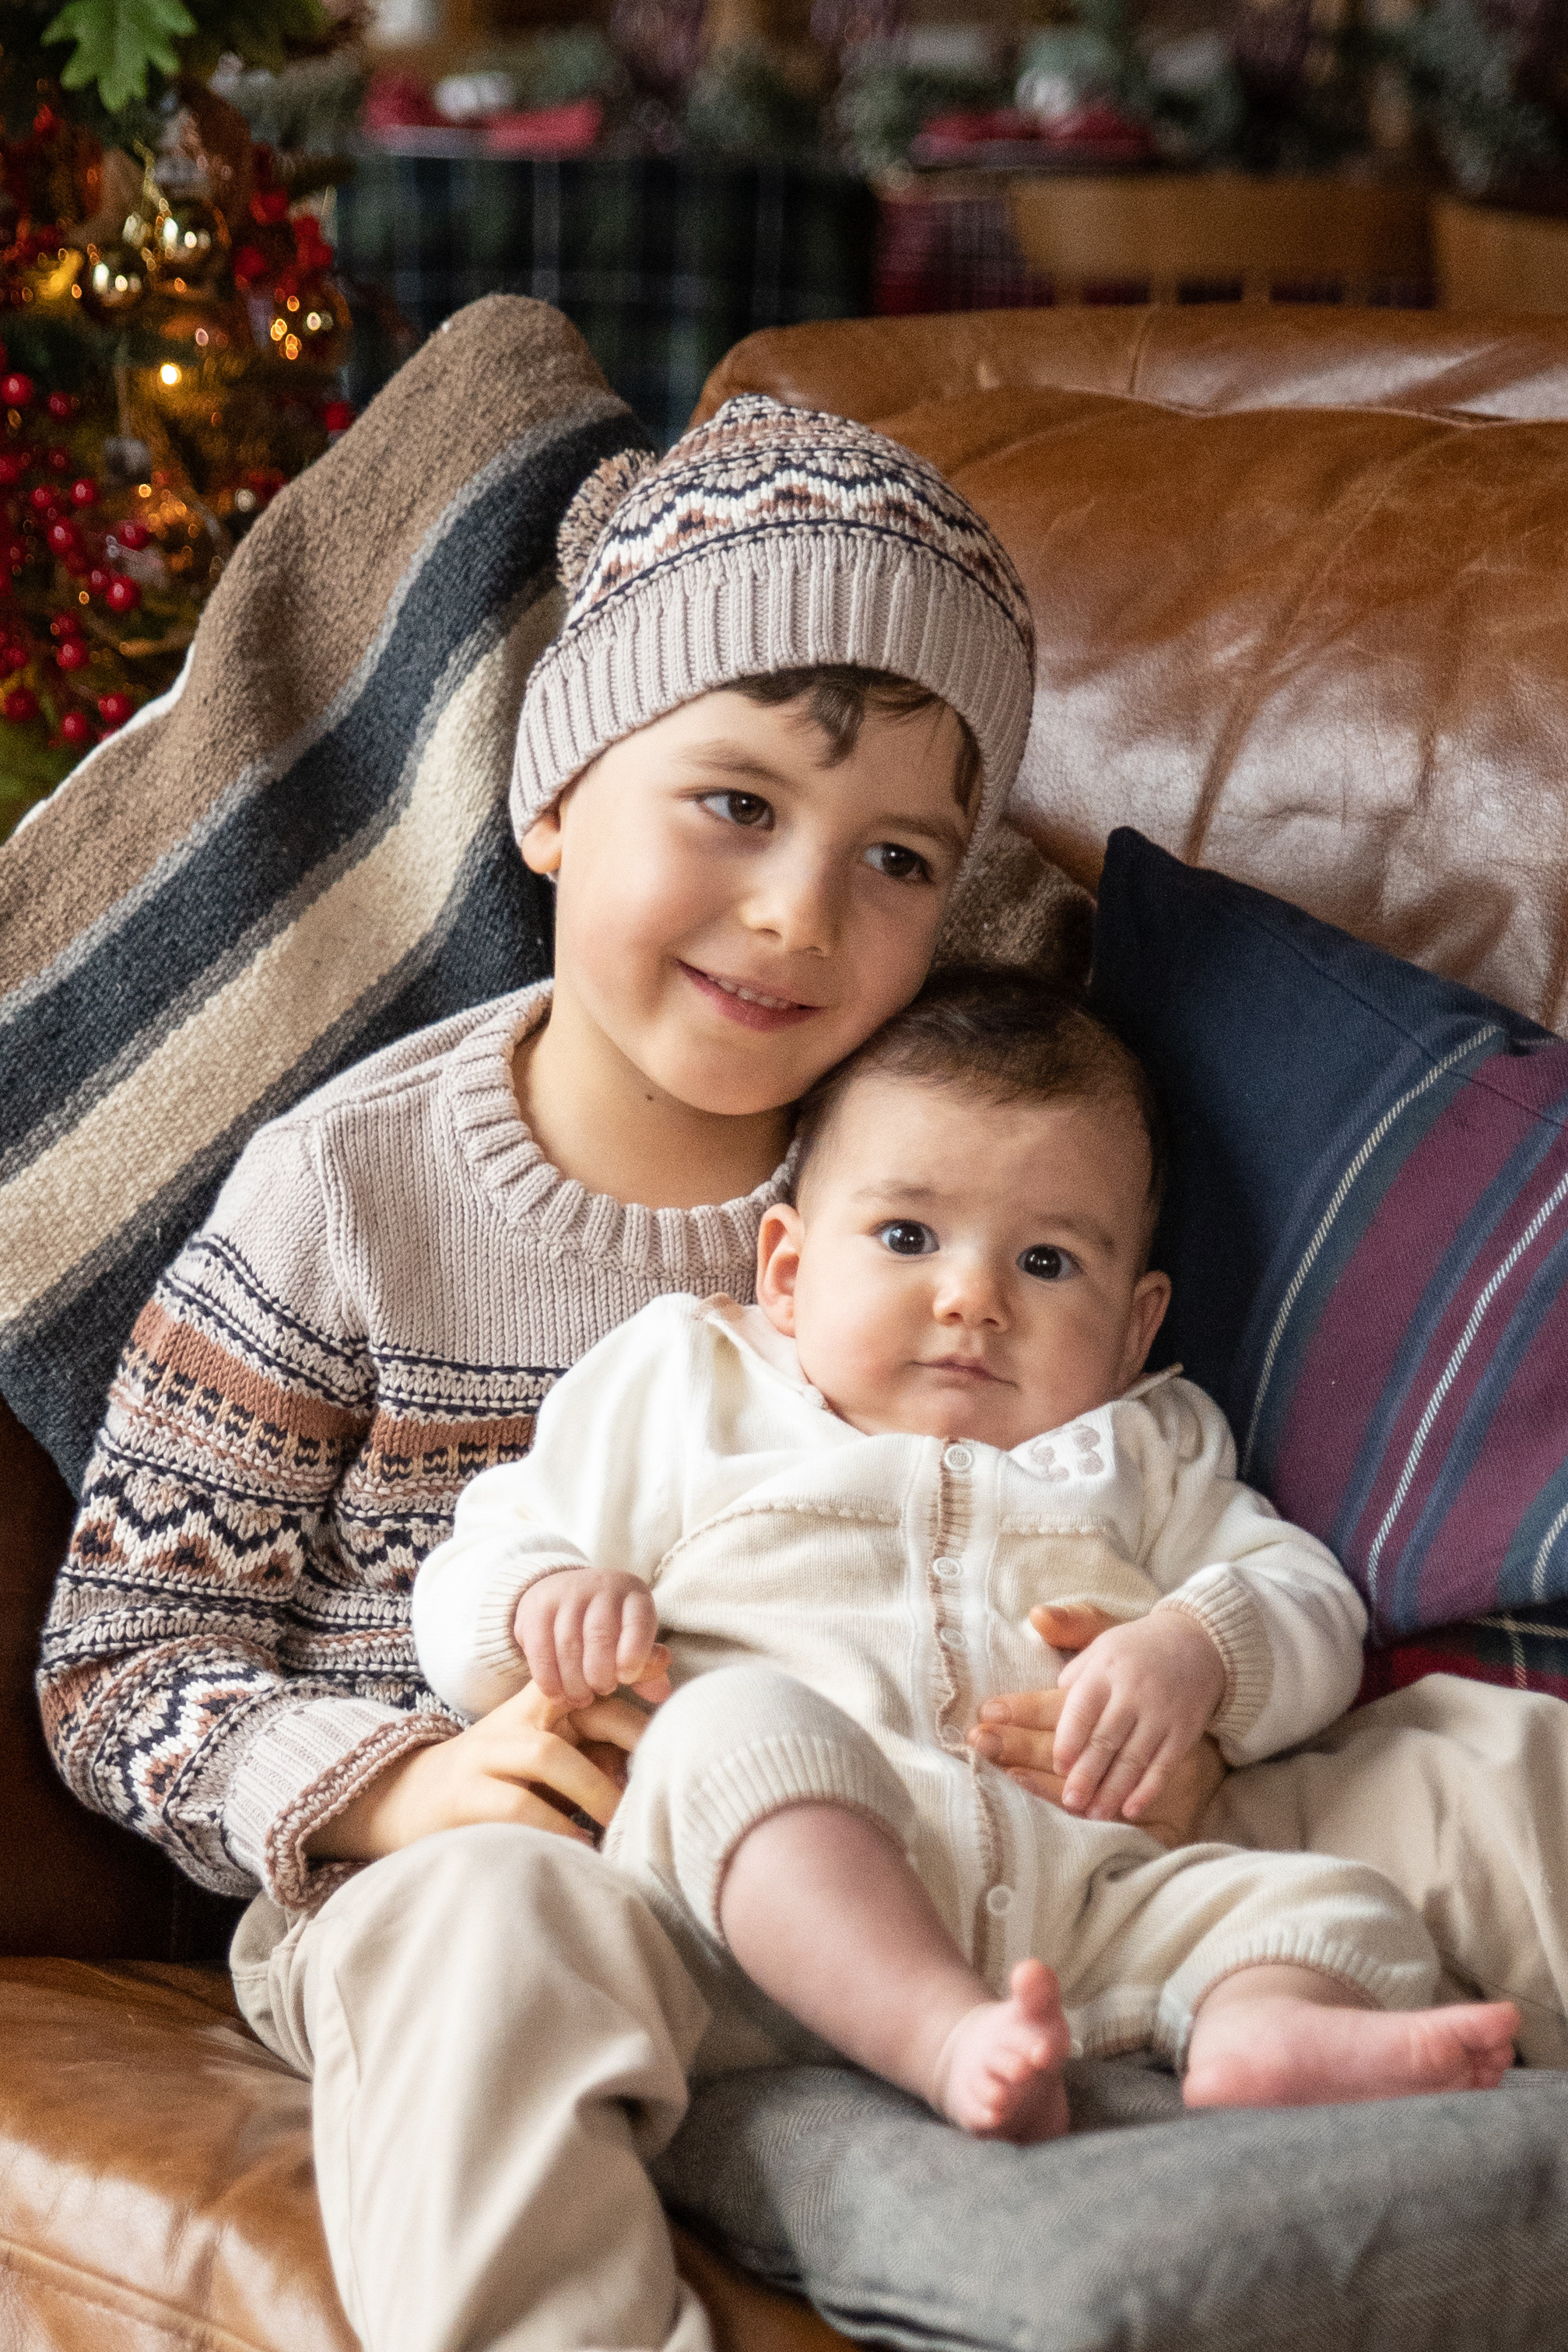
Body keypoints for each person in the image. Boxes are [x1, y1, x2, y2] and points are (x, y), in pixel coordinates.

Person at [37, 393, 1044, 2352]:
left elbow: (1053, 1481)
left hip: (868, 1879)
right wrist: (404, 1792)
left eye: (901, 858)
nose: (798, 915)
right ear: (554, 798)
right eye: (736, 804)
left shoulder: (930, 1190)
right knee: (506, 1932)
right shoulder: (354, 1190)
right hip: (476, 1883)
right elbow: (121, 1660)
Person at [412, 967, 1519, 2139]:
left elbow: (1311, 1600)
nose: (972, 1298)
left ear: (1137, 1323)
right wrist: (542, 1599)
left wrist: (1198, 1648)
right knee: (724, 1732)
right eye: (907, 1235)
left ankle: (1257, 2036)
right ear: (787, 1271)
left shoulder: (1149, 1440)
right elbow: (485, 1551)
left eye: (1047, 1262)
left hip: (1078, 1913)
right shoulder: (695, 1380)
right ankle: (937, 2033)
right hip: (749, 1913)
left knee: (1335, 1903)